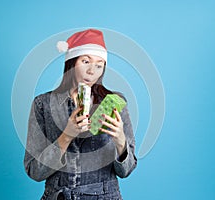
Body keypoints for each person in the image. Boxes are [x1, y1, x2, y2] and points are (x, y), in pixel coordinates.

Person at [24, 29, 137, 200]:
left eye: (99, 65)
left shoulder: (115, 103)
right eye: (85, 61)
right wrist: (66, 136)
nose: (92, 71)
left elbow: (126, 171)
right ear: (71, 63)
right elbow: (35, 172)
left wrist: (120, 138)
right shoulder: (43, 105)